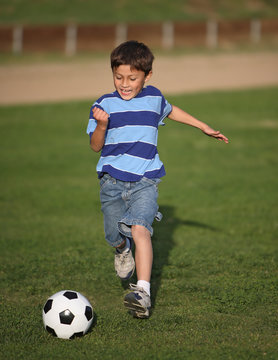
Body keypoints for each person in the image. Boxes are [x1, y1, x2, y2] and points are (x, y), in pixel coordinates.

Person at [86, 40, 228, 319]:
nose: (124, 84)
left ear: (147, 76)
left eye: (132, 78)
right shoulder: (103, 104)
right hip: (111, 181)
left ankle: (143, 292)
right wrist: (102, 124)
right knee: (114, 235)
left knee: (141, 229)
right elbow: (95, 146)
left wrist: (203, 126)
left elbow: (171, 110)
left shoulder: (154, 98)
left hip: (146, 180)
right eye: (118, 77)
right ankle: (121, 249)